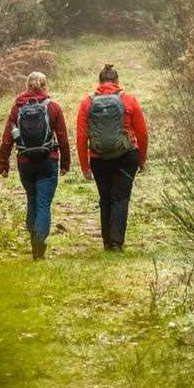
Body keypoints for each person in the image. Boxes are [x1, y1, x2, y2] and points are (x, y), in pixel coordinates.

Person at [0, 71, 70, 260]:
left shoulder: (17, 108)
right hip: (48, 161)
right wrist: (65, 163)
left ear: (27, 86)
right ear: (44, 86)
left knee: (32, 200)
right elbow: (62, 137)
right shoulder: (53, 107)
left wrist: (3, 164)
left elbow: (7, 139)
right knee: (44, 204)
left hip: (25, 163)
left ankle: (34, 240)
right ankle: (39, 242)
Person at [77, 63, 148, 252]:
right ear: (117, 81)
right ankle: (117, 242)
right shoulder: (130, 100)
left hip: (99, 157)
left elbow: (82, 136)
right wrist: (141, 159)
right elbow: (142, 134)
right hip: (128, 154)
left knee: (105, 197)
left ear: (99, 82)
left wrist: (85, 165)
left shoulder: (88, 102)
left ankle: (107, 242)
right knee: (121, 198)